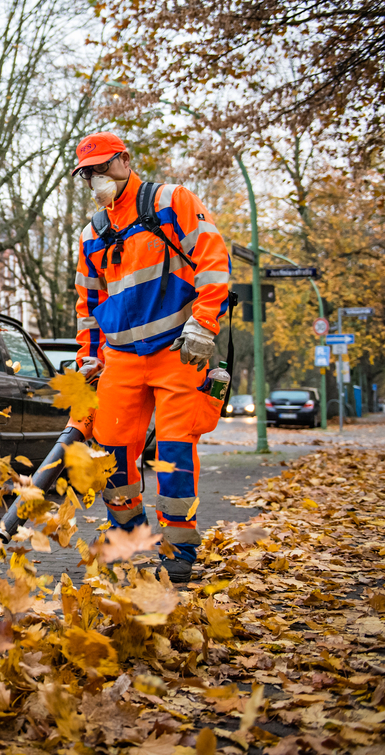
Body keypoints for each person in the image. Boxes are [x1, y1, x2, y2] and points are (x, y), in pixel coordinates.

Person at [70, 132, 230, 583]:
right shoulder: (91, 234)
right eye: (87, 173)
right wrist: (88, 358)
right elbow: (89, 306)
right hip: (120, 359)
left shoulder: (170, 201)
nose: (96, 178)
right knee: (111, 457)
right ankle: (135, 538)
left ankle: (181, 552)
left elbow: (213, 260)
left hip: (177, 350)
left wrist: (204, 322)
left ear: (124, 161)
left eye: (101, 168)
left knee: (174, 453)